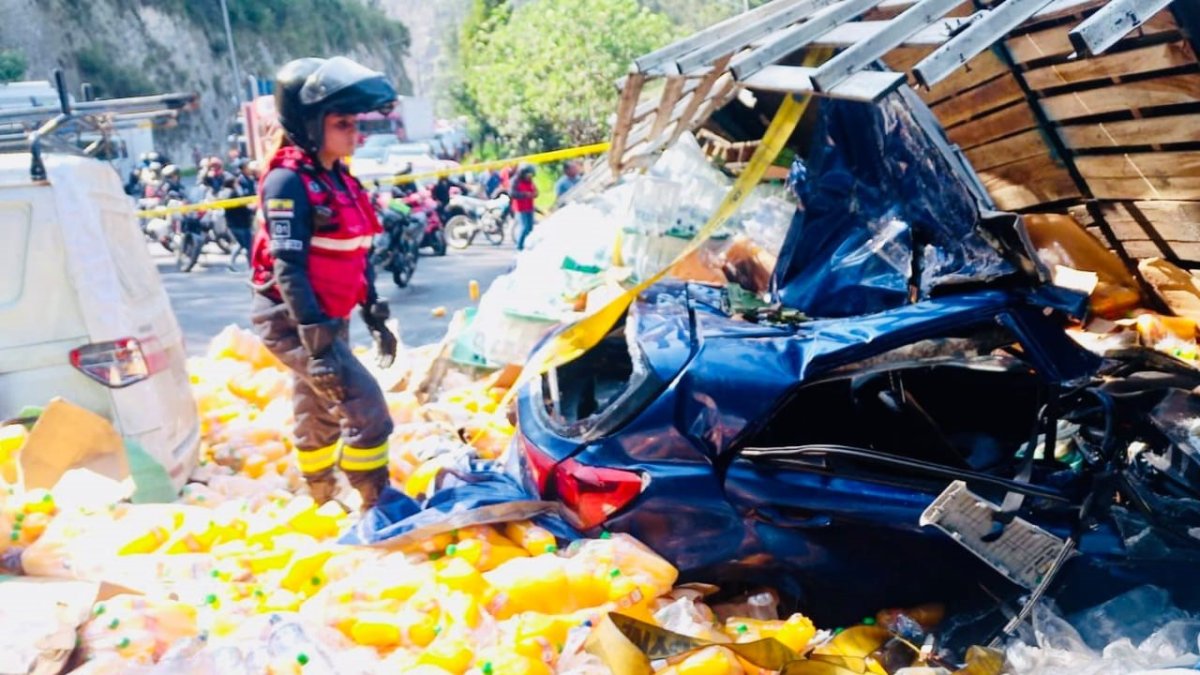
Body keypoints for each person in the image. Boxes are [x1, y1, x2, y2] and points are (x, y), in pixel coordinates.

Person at [248, 56, 399, 511]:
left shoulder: (337, 177)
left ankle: (320, 498)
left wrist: (373, 312)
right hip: (294, 318)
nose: (355, 133)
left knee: (317, 408)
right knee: (366, 411)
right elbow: (287, 268)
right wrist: (316, 348)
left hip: (328, 314)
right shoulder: (287, 182)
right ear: (311, 124)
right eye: (342, 123)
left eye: (356, 123)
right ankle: (378, 505)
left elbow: (355, 251)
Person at [223, 159, 257, 270]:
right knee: (248, 245)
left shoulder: (249, 180)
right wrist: (250, 208)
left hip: (243, 219)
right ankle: (252, 266)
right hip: (240, 221)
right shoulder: (235, 190)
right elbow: (242, 204)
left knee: (242, 243)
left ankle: (231, 262)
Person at [511, 164, 538, 250]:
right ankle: (519, 246)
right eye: (528, 175)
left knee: (530, 228)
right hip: (520, 208)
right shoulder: (515, 181)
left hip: (529, 207)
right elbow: (512, 193)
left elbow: (536, 191)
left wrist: (534, 194)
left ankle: (527, 245)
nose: (529, 177)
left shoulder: (530, 181)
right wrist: (524, 194)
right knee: (524, 227)